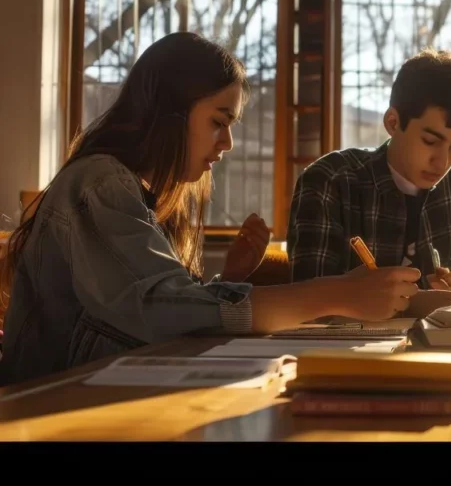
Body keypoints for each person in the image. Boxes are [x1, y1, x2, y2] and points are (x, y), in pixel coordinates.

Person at [0, 33, 420, 386]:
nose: (228, 143)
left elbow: (156, 307)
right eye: (219, 121)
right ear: (168, 113)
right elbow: (155, 310)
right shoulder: (99, 182)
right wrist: (337, 293)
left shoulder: (140, 191)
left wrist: (232, 277)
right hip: (51, 405)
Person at [287, 49, 451, 298]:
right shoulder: (331, 180)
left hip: (436, 335)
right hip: (353, 336)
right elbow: (305, 297)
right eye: (430, 141)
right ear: (393, 123)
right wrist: (358, 292)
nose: (443, 162)